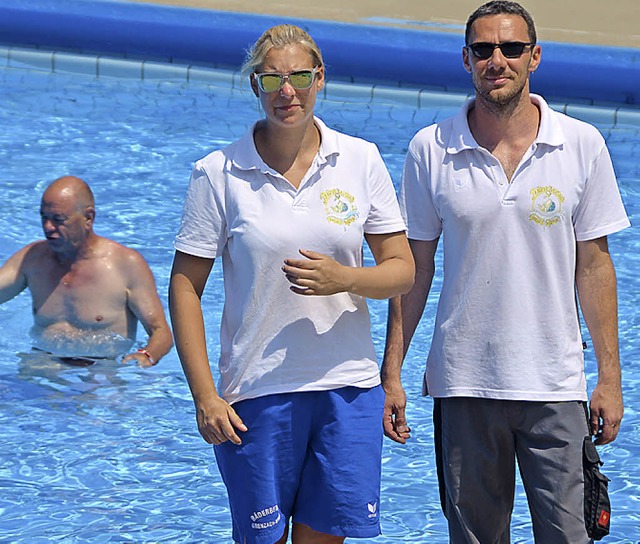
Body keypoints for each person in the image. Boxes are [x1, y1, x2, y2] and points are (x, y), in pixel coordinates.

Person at [381, 1, 630, 542]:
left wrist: (609, 378)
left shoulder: (581, 143)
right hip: (463, 382)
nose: (498, 60)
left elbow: (595, 266)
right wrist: (392, 372)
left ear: (534, 57)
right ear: (465, 59)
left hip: (555, 385)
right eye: (484, 50)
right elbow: (414, 269)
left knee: (568, 536)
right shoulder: (431, 148)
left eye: (511, 48)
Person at [169, 24, 414, 544]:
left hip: (348, 388)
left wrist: (344, 279)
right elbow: (185, 287)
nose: (287, 91)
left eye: (299, 76)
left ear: (319, 78)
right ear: (254, 85)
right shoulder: (217, 172)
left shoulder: (360, 159)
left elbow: (402, 270)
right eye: (272, 79)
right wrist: (205, 396)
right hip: (257, 391)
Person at [0, 175, 173, 366]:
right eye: (44, 217)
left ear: (88, 218)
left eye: (58, 220)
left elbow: (161, 333)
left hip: (102, 369)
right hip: (44, 363)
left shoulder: (125, 265)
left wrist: (146, 355)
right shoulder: (33, 259)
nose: (48, 227)